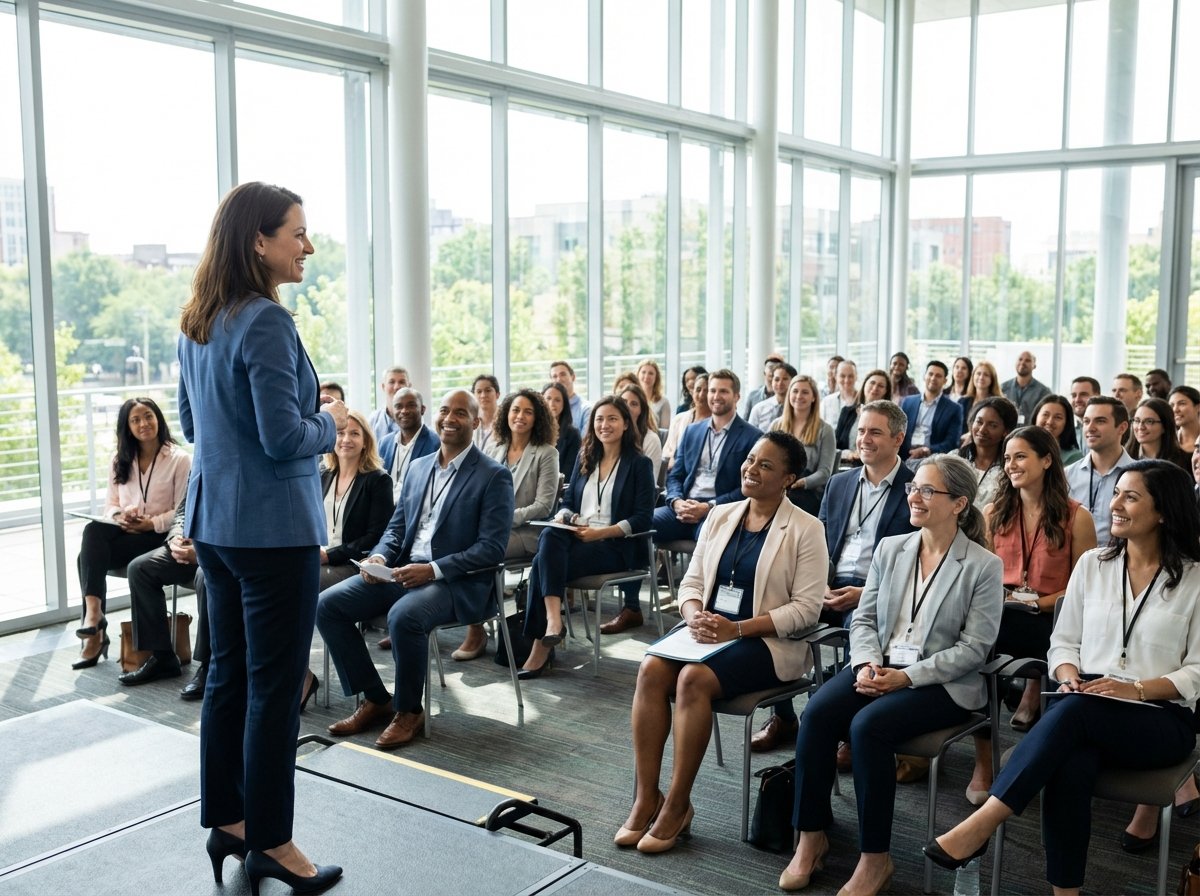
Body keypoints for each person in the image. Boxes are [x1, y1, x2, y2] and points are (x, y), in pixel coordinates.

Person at [178, 182, 346, 893]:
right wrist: (331, 423)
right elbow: (285, 439)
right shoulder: (267, 323)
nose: (307, 246)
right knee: (274, 691)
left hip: (215, 524)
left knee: (227, 677)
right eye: (298, 233)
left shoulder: (198, 321)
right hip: (272, 533)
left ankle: (230, 820)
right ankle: (272, 841)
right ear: (259, 241)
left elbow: (192, 426)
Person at [925, 460, 1200, 896]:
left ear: (1164, 510)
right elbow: (1063, 642)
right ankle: (1064, 893)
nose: (1116, 505)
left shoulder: (1195, 579)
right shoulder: (1093, 564)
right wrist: (1068, 673)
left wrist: (1135, 689)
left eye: (1131, 496)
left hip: (1159, 714)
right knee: (1069, 764)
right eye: (1117, 494)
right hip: (1085, 696)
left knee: (1072, 715)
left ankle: (983, 823)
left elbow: (1197, 671)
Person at [781, 455, 1002, 895]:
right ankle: (810, 836)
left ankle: (874, 859)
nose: (913, 496)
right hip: (878, 664)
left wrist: (905, 678)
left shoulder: (982, 566)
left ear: (959, 503)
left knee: (868, 726)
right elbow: (862, 622)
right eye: (912, 487)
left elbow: (974, 650)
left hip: (940, 682)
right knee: (819, 714)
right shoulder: (892, 548)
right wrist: (865, 664)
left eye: (926, 491)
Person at [617, 431, 827, 854]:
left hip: (764, 641)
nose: (751, 468)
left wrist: (738, 628)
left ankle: (677, 805)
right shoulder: (720, 515)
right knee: (651, 668)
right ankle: (646, 799)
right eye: (751, 459)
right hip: (705, 632)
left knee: (693, 679)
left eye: (766, 465)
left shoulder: (806, 528)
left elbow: (807, 609)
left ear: (788, 478)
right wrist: (694, 617)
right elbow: (692, 582)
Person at [317, 389, 513, 747]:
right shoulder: (420, 467)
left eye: (460, 413)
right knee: (327, 606)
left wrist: (434, 569)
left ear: (476, 421)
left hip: (456, 580)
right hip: (404, 571)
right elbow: (397, 528)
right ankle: (376, 698)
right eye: (444, 411)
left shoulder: (493, 476)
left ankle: (410, 711)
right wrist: (378, 557)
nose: (449, 419)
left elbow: (491, 549)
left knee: (404, 618)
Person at [752, 400, 916, 754]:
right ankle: (783, 716)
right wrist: (816, 584)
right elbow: (819, 543)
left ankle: (843, 728)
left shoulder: (914, 489)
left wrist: (866, 593)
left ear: (898, 438)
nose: (864, 439)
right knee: (775, 609)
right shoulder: (840, 483)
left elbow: (916, 565)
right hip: (827, 585)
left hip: (876, 594)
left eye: (875, 432)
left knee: (861, 623)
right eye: (861, 431)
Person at [962, 426, 1095, 804]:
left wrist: (1037, 602)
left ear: (1047, 460)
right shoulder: (993, 512)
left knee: (995, 644)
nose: (1011, 465)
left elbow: (1085, 588)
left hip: (1051, 619)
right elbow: (979, 576)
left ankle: (1041, 756)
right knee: (977, 657)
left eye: (1020, 456)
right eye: (1007, 458)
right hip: (1001, 614)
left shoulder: (1076, 517)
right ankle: (984, 763)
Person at [521, 395, 656, 677]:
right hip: (578, 538)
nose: (604, 425)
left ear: (625, 425)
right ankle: (553, 624)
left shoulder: (638, 464)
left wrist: (601, 533)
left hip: (616, 546)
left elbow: (643, 517)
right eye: (599, 419)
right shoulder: (586, 458)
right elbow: (568, 501)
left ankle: (544, 640)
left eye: (612, 419)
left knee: (539, 565)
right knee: (550, 535)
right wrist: (568, 517)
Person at [73, 397, 191, 671]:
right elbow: (110, 505)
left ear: (158, 419)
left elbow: (184, 509)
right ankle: (94, 617)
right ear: (127, 427)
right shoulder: (120, 460)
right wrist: (122, 514)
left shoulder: (179, 459)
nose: (143, 424)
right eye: (135, 420)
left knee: (85, 558)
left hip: (160, 536)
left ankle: (94, 630)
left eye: (148, 416)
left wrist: (150, 524)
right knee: (93, 531)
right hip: (130, 534)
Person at [451, 389, 560, 662]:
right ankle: (476, 625)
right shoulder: (494, 448)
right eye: (515, 410)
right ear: (506, 414)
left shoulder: (546, 453)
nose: (520, 416)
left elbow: (544, 505)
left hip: (527, 532)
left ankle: (475, 629)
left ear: (537, 418)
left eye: (527, 411)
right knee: (455, 546)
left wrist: (503, 519)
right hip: (491, 531)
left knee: (476, 556)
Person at [299, 410, 395, 703]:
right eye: (340, 433)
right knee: (279, 589)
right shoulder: (321, 475)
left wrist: (329, 555)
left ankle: (300, 677)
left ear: (366, 441)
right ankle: (299, 674)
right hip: (317, 559)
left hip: (352, 565)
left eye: (355, 433)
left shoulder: (377, 480)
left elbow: (375, 536)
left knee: (297, 589)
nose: (346, 439)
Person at [121, 495, 211, 689]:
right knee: (140, 569)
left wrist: (202, 550)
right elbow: (183, 509)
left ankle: (208, 665)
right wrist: (176, 538)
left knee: (207, 578)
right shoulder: (201, 464)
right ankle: (162, 657)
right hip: (189, 544)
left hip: (216, 550)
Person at [1066, 396, 1133, 546]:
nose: (1090, 428)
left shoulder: (1138, 476)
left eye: (1100, 421)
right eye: (1086, 421)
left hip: (1121, 561)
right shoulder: (1067, 475)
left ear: (1122, 428)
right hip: (1075, 562)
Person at [774, 374, 835, 516]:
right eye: (795, 391)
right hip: (778, 487)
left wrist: (801, 483)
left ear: (813, 397)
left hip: (807, 493)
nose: (799, 396)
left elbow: (825, 472)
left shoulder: (825, 430)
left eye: (805, 392)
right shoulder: (776, 425)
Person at [378, 387, 439, 501]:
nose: (404, 411)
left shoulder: (435, 443)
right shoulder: (384, 443)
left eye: (411, 405)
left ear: (422, 409)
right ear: (392, 411)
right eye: (398, 406)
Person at [958, 396, 1018, 510]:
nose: (982, 430)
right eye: (979, 422)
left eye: (992, 425)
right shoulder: (955, 459)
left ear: (1006, 431)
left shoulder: (1010, 467)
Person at [900, 361, 964, 461]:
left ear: (945, 381)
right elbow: (898, 430)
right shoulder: (908, 402)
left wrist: (927, 450)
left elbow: (952, 442)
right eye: (930, 374)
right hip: (904, 455)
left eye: (938, 376)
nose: (933, 378)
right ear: (924, 376)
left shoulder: (954, 409)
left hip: (932, 458)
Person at [834, 368, 891, 464]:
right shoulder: (847, 412)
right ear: (864, 385)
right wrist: (849, 454)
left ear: (886, 391)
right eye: (872, 383)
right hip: (845, 466)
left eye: (880, 386)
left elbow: (889, 448)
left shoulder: (889, 417)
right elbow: (835, 446)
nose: (875, 387)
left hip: (875, 467)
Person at [663, 372, 710, 472]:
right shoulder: (678, 419)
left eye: (706, 390)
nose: (702, 394)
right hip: (676, 471)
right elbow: (668, 451)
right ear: (692, 392)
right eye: (698, 390)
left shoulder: (716, 423)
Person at [618, 381, 665, 482]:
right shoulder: (612, 436)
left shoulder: (651, 440)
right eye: (624, 402)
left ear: (641, 410)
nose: (628, 408)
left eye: (634, 404)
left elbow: (649, 483)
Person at [1127, 397, 1191, 470]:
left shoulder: (1184, 461)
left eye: (1149, 421)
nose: (1140, 427)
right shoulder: (1123, 458)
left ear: (1165, 426)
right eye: (1137, 420)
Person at [1000, 351, 1051, 425]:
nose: (1023, 363)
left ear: (1034, 366)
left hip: (1031, 433)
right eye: (1020, 359)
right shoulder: (1002, 388)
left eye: (1028, 360)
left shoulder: (1043, 392)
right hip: (1007, 433)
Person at [543, 380, 582, 476]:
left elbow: (569, 471)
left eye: (557, 400)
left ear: (564, 404)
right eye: (548, 398)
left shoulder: (572, 434)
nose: (552, 403)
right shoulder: (532, 430)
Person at [1033, 394, 1083, 465]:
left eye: (1058, 417)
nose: (1049, 422)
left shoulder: (1074, 458)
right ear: (1036, 417)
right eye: (1045, 415)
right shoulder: (1022, 448)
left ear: (1067, 423)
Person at [367, 366, 410, 445]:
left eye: (402, 382)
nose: (397, 387)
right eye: (391, 382)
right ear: (383, 387)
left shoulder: (415, 419)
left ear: (409, 386)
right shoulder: (373, 420)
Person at [749, 362, 796, 431]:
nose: (780, 383)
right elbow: (750, 436)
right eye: (776, 379)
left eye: (785, 379)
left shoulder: (798, 409)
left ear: (793, 381)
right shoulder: (759, 409)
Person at [960, 360, 1002, 436]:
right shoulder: (963, 401)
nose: (981, 377)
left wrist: (971, 435)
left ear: (992, 379)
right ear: (973, 376)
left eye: (986, 375)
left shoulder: (998, 403)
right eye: (978, 374)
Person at [549, 360, 590, 432]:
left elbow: (585, 441)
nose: (559, 379)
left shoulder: (586, 409)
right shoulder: (547, 408)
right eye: (555, 376)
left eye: (563, 374)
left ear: (573, 377)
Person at [740, 354, 784, 419]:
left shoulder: (786, 396)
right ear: (764, 372)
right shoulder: (753, 396)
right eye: (770, 367)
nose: (773, 370)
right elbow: (745, 421)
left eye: (777, 368)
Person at [1068, 376, 1101, 454]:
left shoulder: (1108, 426)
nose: (1077, 400)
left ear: (1097, 396)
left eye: (1083, 394)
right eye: (1074, 395)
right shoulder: (1066, 427)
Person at [820, 359, 858, 426]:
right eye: (842, 376)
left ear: (856, 377)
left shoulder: (864, 401)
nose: (846, 380)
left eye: (850, 376)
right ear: (836, 377)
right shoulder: (826, 402)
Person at [637, 358, 672, 430]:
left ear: (656, 378)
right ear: (637, 375)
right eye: (643, 372)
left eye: (651, 373)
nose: (646, 376)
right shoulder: (632, 399)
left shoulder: (664, 402)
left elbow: (664, 432)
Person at [472, 374, 501, 451]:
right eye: (479, 391)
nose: (483, 395)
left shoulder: (507, 420)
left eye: (488, 391)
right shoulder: (471, 422)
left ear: (497, 394)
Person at [1170, 385, 1200, 454]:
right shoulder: (1168, 441)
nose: (1175, 410)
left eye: (1182, 404)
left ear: (1198, 407)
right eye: (1171, 405)